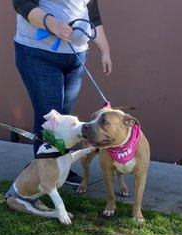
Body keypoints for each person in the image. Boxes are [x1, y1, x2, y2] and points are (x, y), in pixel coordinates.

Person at [12, 0, 112, 185]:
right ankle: (44, 174)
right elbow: (22, 4)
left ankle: (58, 167)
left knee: (63, 118)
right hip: (38, 53)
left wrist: (105, 50)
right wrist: (53, 24)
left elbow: (93, 17)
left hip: (75, 56)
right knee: (51, 118)